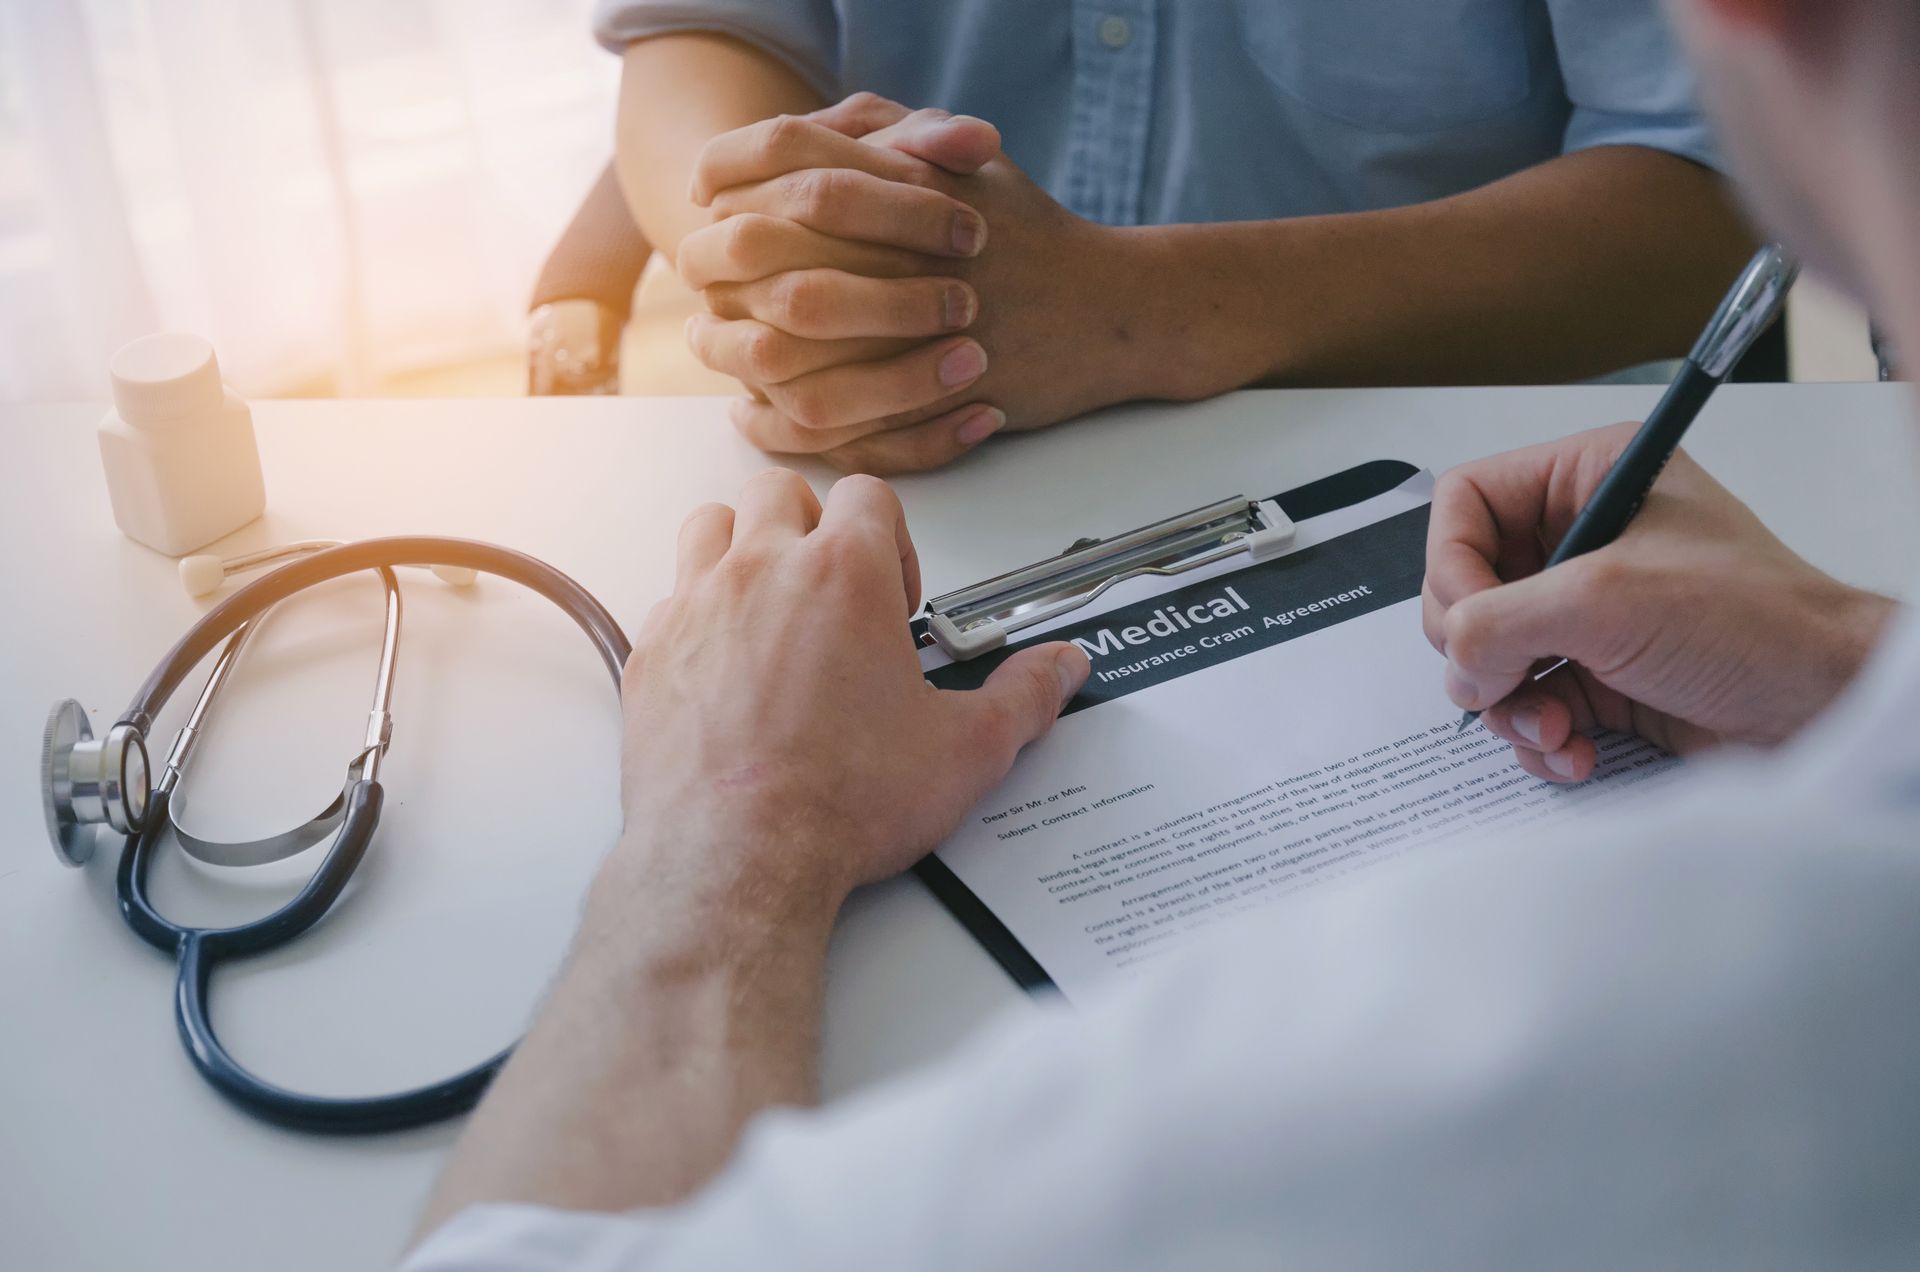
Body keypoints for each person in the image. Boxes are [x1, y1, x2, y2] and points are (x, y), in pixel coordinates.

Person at [401, 0, 1920, 1263]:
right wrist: (790, 259)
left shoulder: (1415, 1077)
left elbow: (1691, 189)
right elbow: (702, 35)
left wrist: (728, 831)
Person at [591, 2, 1759, 474]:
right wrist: (803, 270)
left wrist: (1134, 313)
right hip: (901, 456)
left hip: (1452, 469)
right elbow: (702, 35)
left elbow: (1719, 194)